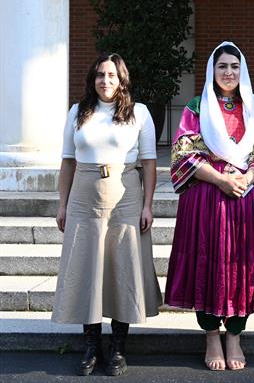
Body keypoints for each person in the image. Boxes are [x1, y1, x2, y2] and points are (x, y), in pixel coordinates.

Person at [164, 41, 254, 371]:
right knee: (208, 261)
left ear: (242, 70)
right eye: (222, 66)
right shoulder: (196, 107)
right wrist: (220, 180)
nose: (228, 72)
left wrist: (246, 179)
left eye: (234, 66)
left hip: (246, 198)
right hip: (206, 198)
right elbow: (183, 155)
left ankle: (234, 335)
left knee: (242, 265)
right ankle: (210, 336)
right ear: (212, 71)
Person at [52, 53, 162, 377]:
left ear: (122, 78)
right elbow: (67, 161)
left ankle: (118, 347)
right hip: (83, 198)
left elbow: (150, 162)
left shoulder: (138, 113)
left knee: (122, 269)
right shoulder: (78, 112)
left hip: (125, 196)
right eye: (100, 75)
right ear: (93, 78)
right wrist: (62, 204)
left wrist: (148, 204)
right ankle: (91, 346)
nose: (106, 81)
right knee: (87, 269)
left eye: (112, 75)